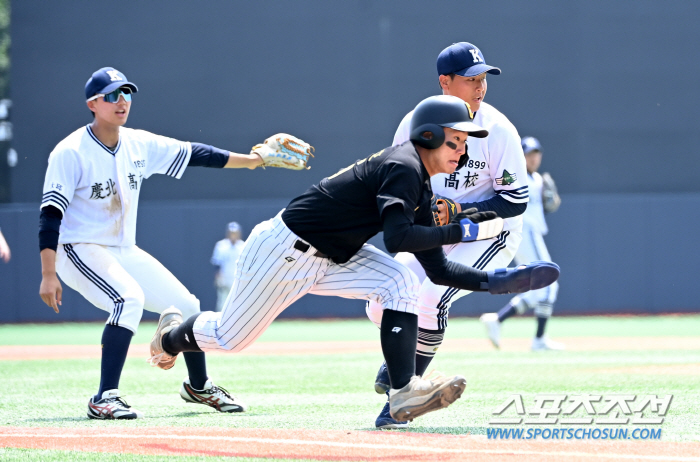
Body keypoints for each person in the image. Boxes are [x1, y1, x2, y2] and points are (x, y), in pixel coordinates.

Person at [148, 95, 560, 425]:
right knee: (229, 337)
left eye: (466, 144)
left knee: (402, 282)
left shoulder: (423, 185)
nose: (463, 152)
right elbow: (399, 236)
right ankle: (169, 337)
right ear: (430, 136)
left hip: (333, 255)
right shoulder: (404, 165)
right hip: (284, 250)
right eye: (456, 141)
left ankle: (402, 394)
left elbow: (436, 268)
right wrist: (462, 230)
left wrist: (494, 282)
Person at [37, 66, 283, 420]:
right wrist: (48, 273)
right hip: (77, 248)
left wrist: (252, 161)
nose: (121, 101)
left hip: (122, 249)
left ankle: (198, 385)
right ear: (93, 103)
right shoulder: (70, 151)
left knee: (187, 303)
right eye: (111, 95)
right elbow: (50, 215)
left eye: (126, 94)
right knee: (128, 299)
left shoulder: (138, 143)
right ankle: (104, 396)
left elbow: (196, 153)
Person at [366, 42, 529, 428]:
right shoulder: (415, 122)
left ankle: (402, 399)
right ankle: (403, 362)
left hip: (491, 233)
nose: (480, 86)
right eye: (471, 79)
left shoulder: (499, 130)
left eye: (483, 78)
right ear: (445, 82)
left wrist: (461, 212)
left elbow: (515, 201)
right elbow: (400, 179)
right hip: (437, 228)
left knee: (432, 298)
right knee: (383, 297)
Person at [480, 136, 563, 351]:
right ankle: (539, 339)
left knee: (540, 288)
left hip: (530, 233)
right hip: (525, 232)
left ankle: (498, 320)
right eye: (529, 154)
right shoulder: (516, 177)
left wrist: (550, 201)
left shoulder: (536, 179)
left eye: (537, 154)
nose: (534, 158)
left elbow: (547, 204)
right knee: (548, 283)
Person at [211, 222, 245, 312]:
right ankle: (218, 322)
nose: (233, 235)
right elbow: (217, 263)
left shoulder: (242, 245)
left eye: (235, 233)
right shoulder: (221, 245)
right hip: (225, 277)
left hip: (237, 278)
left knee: (237, 301)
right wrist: (218, 277)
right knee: (222, 301)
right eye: (231, 233)